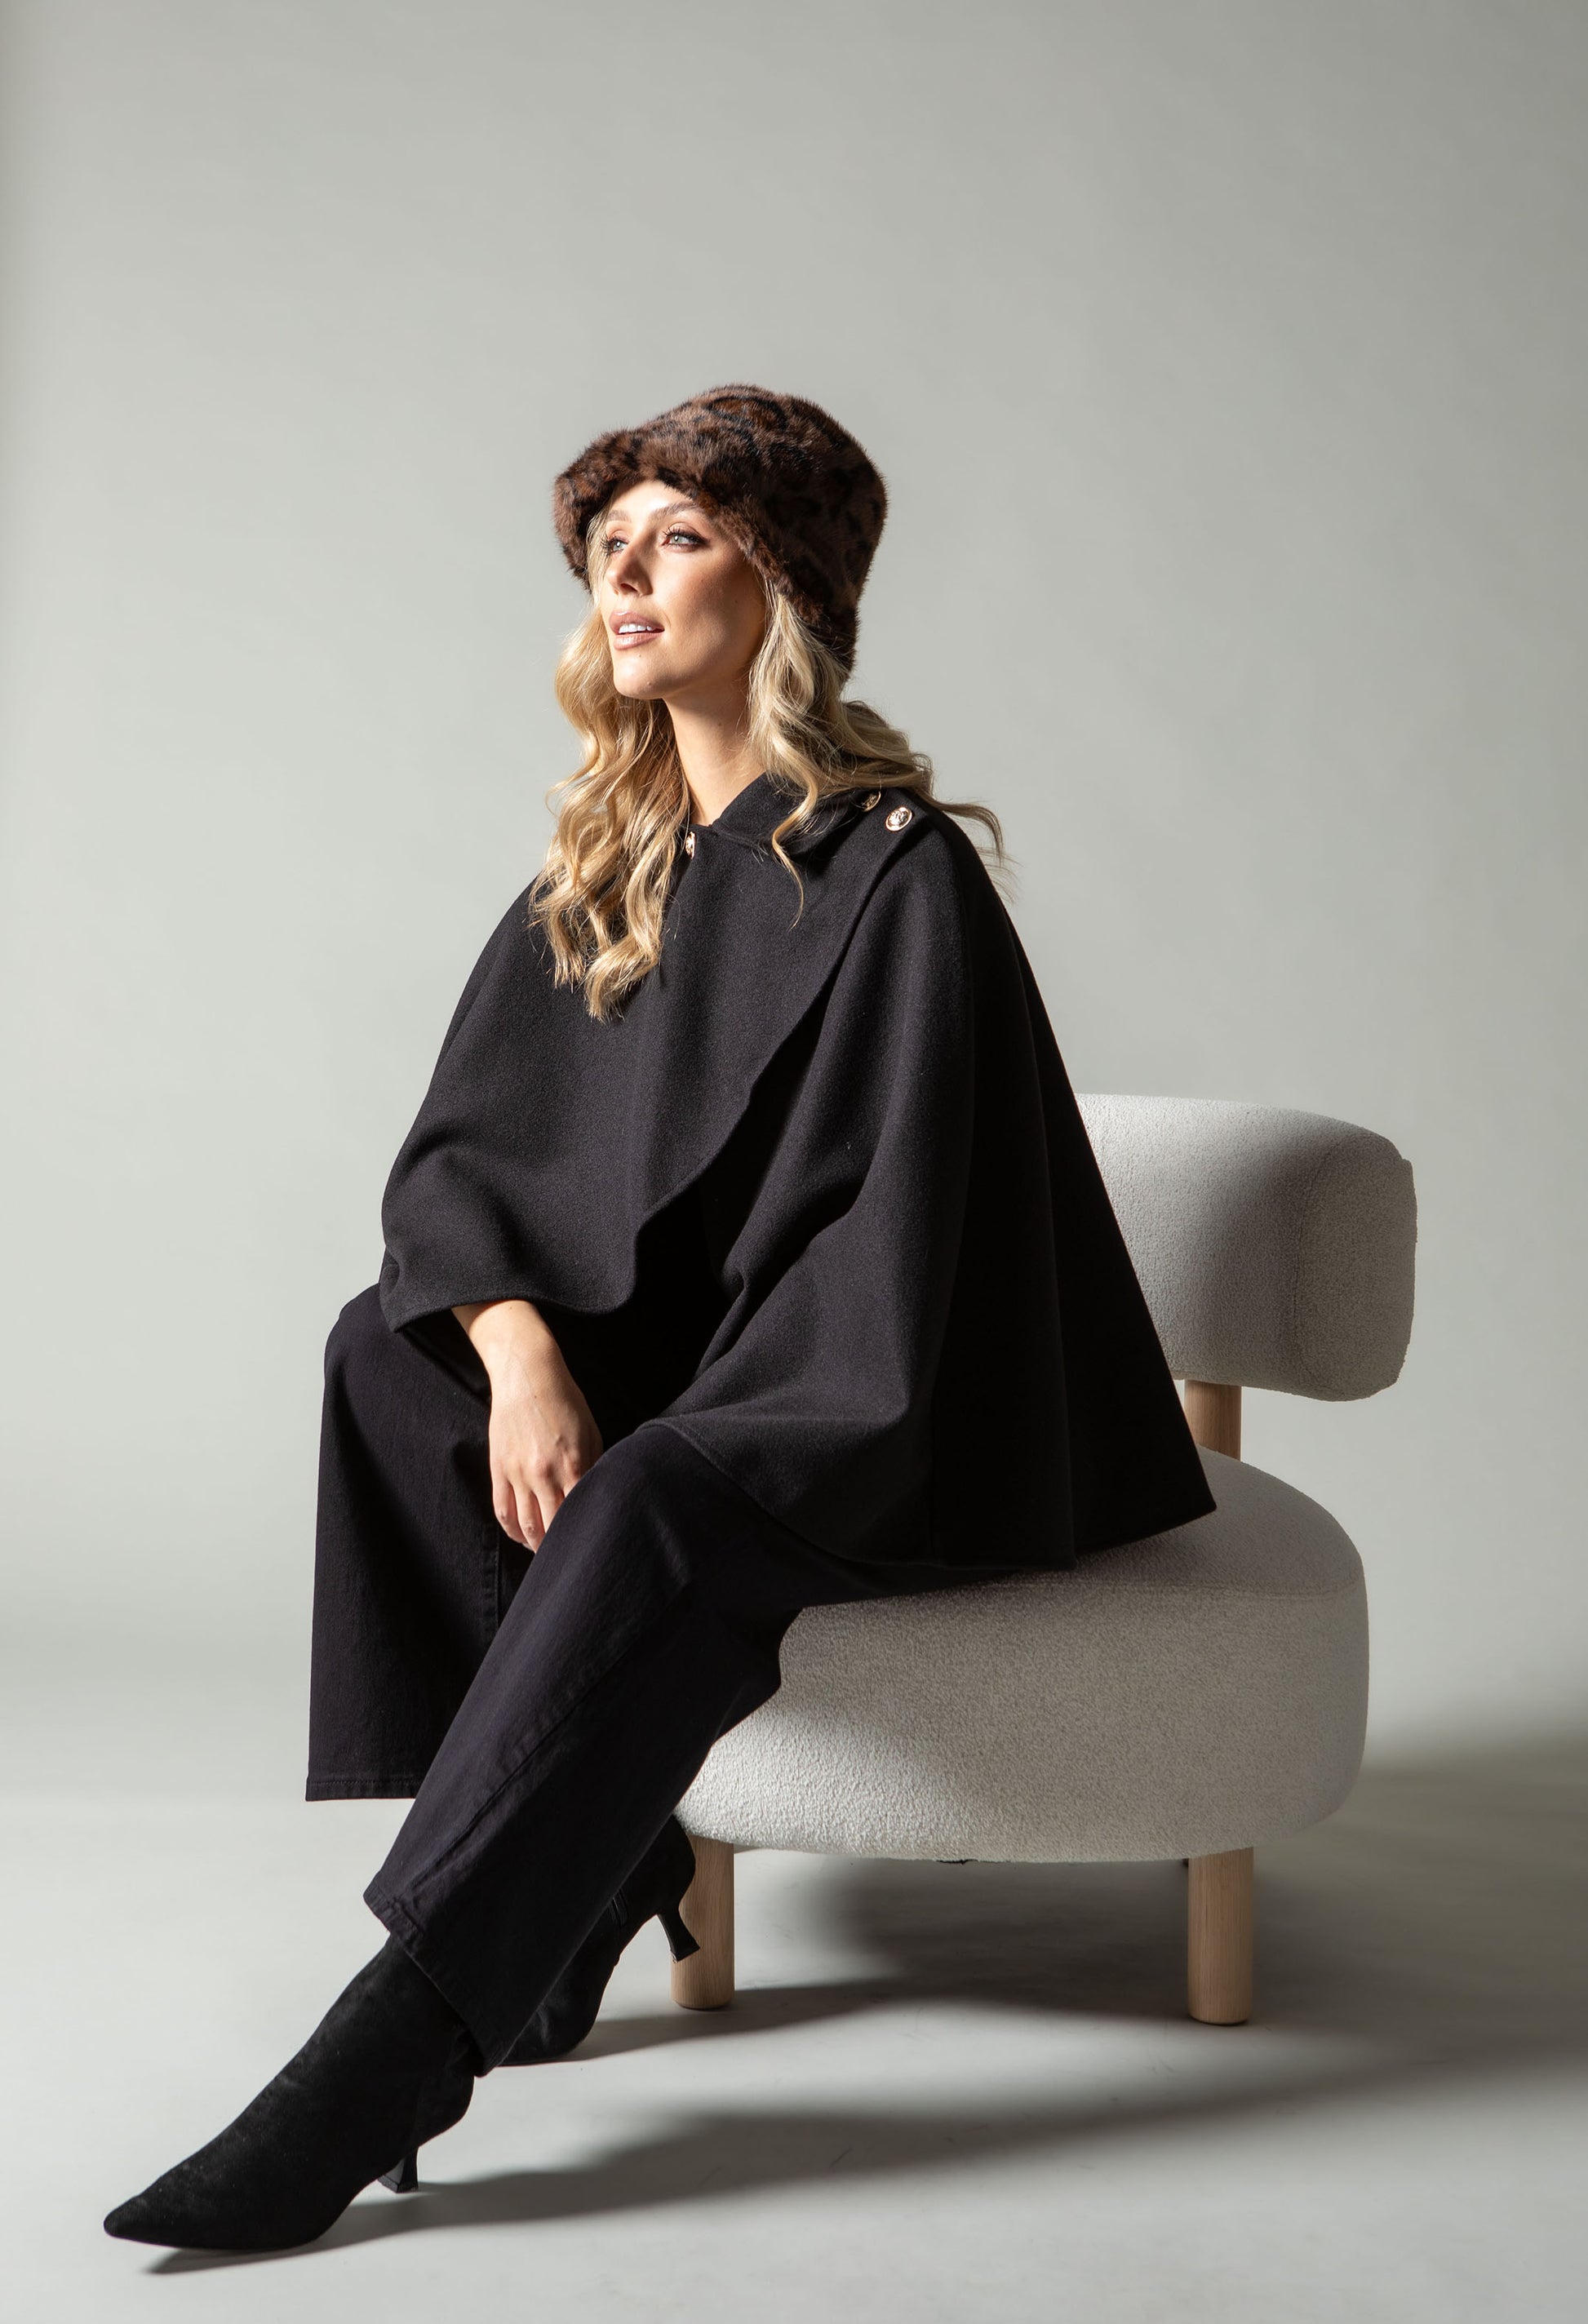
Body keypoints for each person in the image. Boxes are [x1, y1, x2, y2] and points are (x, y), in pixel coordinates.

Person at [104, 385, 1215, 2253]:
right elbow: (459, 1169)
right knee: (391, 1358)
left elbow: (900, 1253)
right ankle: (587, 1877)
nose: (626, 568)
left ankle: (397, 2046)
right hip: (703, 1379)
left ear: (780, 589)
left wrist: (692, 1413)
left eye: (679, 534)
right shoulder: (605, 878)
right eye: (609, 541)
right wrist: (527, 1351)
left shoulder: (896, 873)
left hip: (880, 1398)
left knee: (664, 1496)